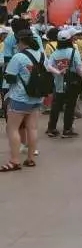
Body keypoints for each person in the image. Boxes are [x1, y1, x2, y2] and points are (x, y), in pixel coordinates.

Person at [1, 30, 45, 171]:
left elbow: (10, 77)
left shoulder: (18, 57)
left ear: (21, 42)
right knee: (32, 128)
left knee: (12, 128)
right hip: (37, 98)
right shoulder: (41, 54)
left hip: (20, 97)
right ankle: (30, 158)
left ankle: (14, 161)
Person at [45, 28, 82, 138]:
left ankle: (51, 128)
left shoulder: (55, 53)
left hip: (59, 84)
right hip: (72, 84)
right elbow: (79, 68)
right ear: (70, 40)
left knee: (56, 106)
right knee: (70, 106)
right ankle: (67, 129)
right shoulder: (74, 52)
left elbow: (48, 67)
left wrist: (58, 72)